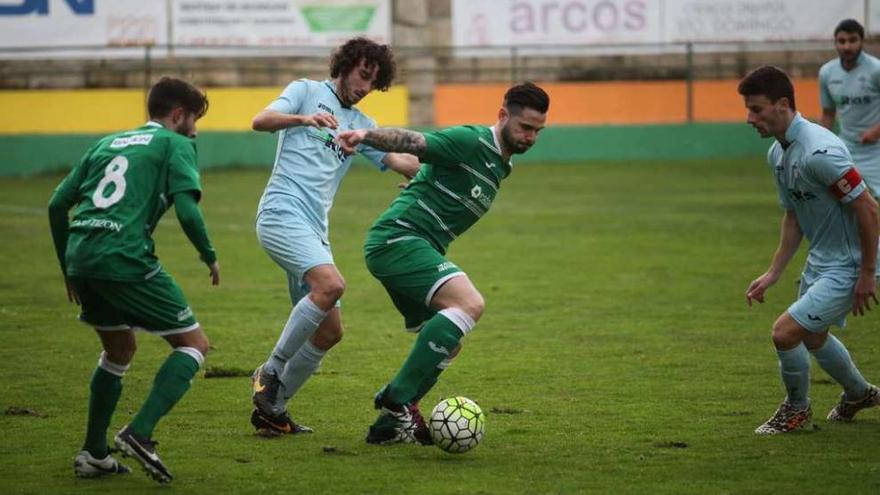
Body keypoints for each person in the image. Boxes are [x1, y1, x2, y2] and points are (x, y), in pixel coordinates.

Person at [337, 82, 550, 444]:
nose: (530, 137)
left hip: (416, 247)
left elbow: (428, 172)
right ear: (502, 116)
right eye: (525, 127)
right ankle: (396, 397)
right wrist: (364, 136)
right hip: (399, 239)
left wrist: (419, 182)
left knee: (448, 344)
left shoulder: (501, 164)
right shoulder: (471, 141)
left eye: (537, 131)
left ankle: (390, 426)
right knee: (469, 304)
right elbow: (416, 144)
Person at [48, 76, 218, 482]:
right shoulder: (176, 144)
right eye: (194, 120)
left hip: (82, 257)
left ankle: (93, 454)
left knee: (119, 349)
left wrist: (67, 269)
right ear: (178, 115)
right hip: (124, 256)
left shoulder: (106, 143)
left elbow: (57, 204)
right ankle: (139, 433)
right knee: (194, 345)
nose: (195, 130)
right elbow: (188, 211)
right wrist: (208, 255)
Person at [249, 37, 420, 435]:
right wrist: (304, 119)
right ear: (343, 65)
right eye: (362, 75)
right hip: (281, 212)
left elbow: (399, 160)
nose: (364, 87)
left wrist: (428, 173)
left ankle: (272, 412)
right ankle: (270, 370)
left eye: (373, 83)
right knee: (331, 285)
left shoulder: (363, 126)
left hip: (314, 228)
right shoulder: (306, 92)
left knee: (330, 331)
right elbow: (260, 121)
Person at [739, 65, 880, 435]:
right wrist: (773, 273)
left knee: (785, 333)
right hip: (822, 260)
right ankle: (859, 393)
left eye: (756, 109)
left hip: (850, 264)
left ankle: (797, 410)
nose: (748, 118)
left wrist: (867, 273)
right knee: (813, 336)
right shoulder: (778, 153)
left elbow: (868, 208)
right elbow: (794, 216)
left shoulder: (821, 150)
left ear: (783, 104)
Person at [819, 19, 880, 197]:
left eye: (853, 40)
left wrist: (875, 132)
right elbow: (828, 113)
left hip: (876, 148)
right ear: (835, 43)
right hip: (846, 148)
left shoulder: (876, 70)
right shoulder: (827, 73)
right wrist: (818, 142)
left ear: (862, 41)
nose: (847, 46)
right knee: (837, 197)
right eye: (842, 41)